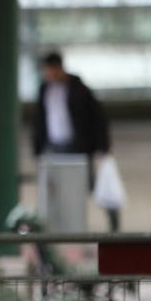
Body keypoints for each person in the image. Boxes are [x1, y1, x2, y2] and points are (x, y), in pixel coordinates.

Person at [32, 51, 116, 231]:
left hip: (78, 146)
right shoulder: (44, 89)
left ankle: (113, 221)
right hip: (53, 146)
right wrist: (38, 148)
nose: (48, 74)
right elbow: (40, 121)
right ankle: (59, 229)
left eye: (51, 70)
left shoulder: (79, 89)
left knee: (89, 185)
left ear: (59, 68)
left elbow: (97, 118)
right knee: (55, 189)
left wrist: (103, 146)